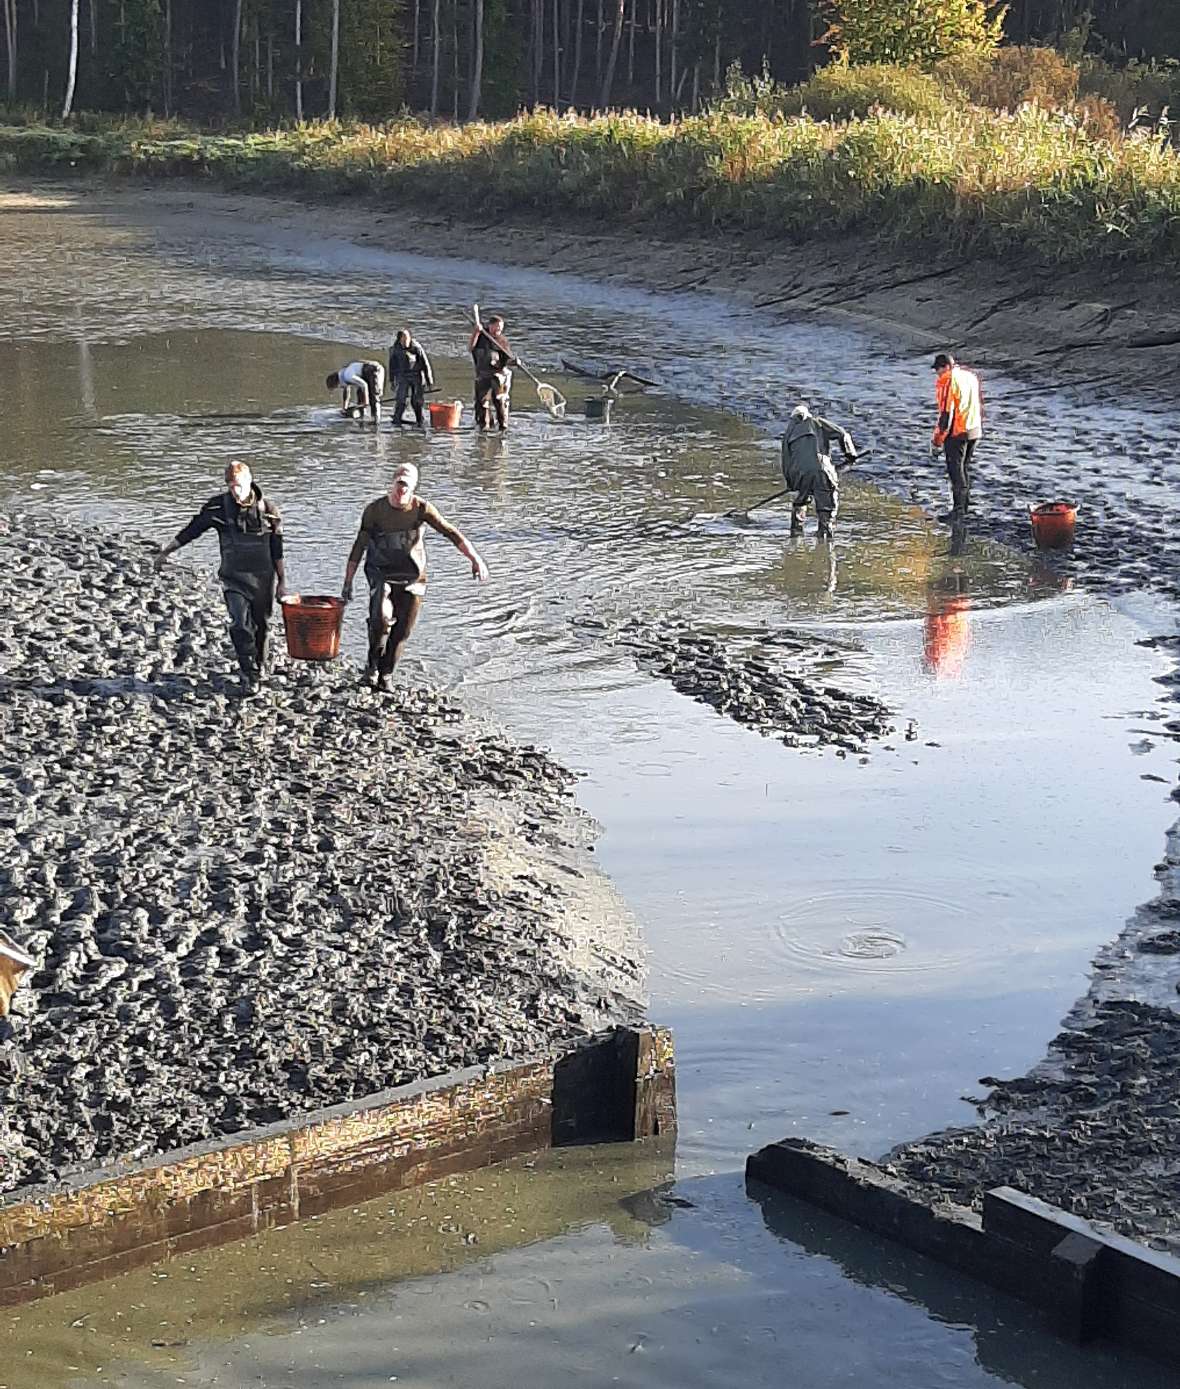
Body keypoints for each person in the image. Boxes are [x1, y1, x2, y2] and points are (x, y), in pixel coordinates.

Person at [341, 463, 489, 693]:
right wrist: (347, 581)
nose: (401, 491)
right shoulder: (375, 510)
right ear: (392, 484)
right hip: (381, 572)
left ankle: (386, 674)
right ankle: (371, 669)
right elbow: (359, 546)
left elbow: (450, 532)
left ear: (413, 488)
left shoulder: (422, 509)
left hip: (413, 576)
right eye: (398, 484)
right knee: (381, 618)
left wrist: (475, 558)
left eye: (406, 487)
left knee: (402, 631)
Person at [154, 461, 286, 694]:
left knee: (262, 626)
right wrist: (166, 552)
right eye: (231, 486)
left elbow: (277, 549)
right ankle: (249, 674)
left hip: (263, 578)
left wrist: (282, 581)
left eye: (239, 486)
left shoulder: (269, 510)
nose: (235, 491)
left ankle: (261, 663)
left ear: (250, 482)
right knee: (239, 624)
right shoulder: (218, 508)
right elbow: (192, 529)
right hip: (233, 578)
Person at [781, 403, 857, 541]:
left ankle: (796, 534)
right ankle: (825, 536)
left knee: (800, 501)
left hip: (800, 474)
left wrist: (791, 482)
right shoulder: (818, 423)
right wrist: (850, 454)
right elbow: (842, 433)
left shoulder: (789, 433)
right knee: (826, 505)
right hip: (823, 471)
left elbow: (786, 461)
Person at [930, 352, 982, 522]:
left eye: (938, 370)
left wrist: (937, 440)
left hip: (957, 432)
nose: (938, 374)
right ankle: (965, 506)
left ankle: (959, 511)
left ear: (945, 367)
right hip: (974, 428)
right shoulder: (970, 376)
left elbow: (946, 413)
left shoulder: (948, 380)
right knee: (964, 468)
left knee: (956, 471)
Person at [469, 304, 517, 432]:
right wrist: (476, 332)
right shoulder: (481, 335)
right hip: (483, 374)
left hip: (498, 376)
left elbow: (507, 360)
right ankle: (484, 427)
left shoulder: (502, 341)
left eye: (500, 329)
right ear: (490, 326)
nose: (498, 331)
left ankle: (503, 427)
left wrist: (515, 361)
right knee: (482, 402)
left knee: (500, 400)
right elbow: (471, 348)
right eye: (497, 328)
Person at [388, 329, 435, 427]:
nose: (406, 341)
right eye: (403, 339)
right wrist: (392, 381)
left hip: (417, 375)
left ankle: (420, 421)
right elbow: (391, 366)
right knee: (401, 400)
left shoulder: (416, 347)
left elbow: (425, 364)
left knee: (417, 401)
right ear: (400, 339)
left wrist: (429, 380)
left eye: (407, 338)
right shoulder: (395, 349)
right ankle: (397, 420)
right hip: (402, 376)